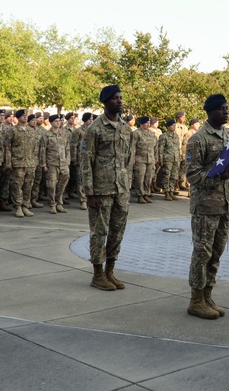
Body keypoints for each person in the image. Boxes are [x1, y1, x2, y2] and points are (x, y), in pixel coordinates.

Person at [184, 94, 229, 320]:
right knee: (202, 253)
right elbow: (192, 176)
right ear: (210, 111)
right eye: (222, 108)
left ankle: (207, 295)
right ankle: (195, 300)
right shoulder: (198, 139)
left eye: (227, 108)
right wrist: (221, 177)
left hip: (224, 205)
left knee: (216, 253)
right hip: (205, 207)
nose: (226, 111)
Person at [80, 85, 134, 290]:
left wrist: (127, 186)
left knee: (117, 232)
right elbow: (86, 162)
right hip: (101, 190)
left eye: (120, 98)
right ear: (105, 102)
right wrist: (89, 193)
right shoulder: (94, 129)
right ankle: (97, 274)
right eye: (114, 98)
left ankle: (110, 271)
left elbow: (128, 159)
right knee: (99, 232)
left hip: (121, 190)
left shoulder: (125, 128)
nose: (119, 101)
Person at [5, 110, 43, 218]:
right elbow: (7, 148)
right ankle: (18, 206)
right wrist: (9, 162)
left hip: (30, 163)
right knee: (17, 186)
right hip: (18, 163)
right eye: (23, 115)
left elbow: (35, 148)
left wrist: (35, 162)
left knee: (28, 186)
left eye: (26, 115)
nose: (25, 117)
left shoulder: (31, 131)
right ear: (17, 117)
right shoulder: (12, 131)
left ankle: (25, 206)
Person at [43, 115, 71, 214]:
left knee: (62, 183)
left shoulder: (64, 134)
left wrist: (67, 161)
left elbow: (67, 149)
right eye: (55, 121)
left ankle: (59, 203)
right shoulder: (46, 135)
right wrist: (44, 164)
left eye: (59, 121)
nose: (58, 123)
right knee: (51, 185)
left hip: (63, 163)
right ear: (51, 122)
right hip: (52, 163)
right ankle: (52, 204)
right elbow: (43, 150)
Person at [130, 117, 158, 204]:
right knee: (139, 178)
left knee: (148, 178)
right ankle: (140, 195)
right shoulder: (136, 133)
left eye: (149, 123)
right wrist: (132, 158)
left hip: (150, 159)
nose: (148, 125)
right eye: (146, 123)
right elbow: (132, 147)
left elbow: (155, 147)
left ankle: (146, 194)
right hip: (139, 159)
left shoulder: (152, 134)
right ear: (141, 124)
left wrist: (156, 158)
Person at [157, 118, 181, 201]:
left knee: (173, 176)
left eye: (175, 125)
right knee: (166, 175)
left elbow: (178, 148)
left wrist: (179, 158)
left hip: (175, 158)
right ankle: (166, 192)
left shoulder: (176, 136)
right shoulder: (164, 136)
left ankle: (171, 191)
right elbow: (160, 149)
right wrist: (160, 160)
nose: (174, 127)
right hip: (167, 159)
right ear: (168, 127)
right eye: (172, 125)